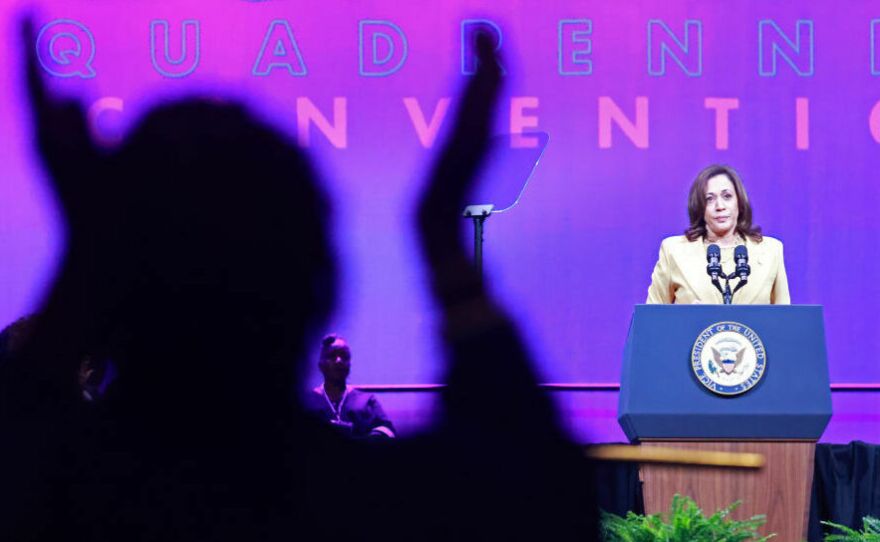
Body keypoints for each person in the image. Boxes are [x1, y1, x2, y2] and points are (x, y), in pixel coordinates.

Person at [646, 164, 790, 305]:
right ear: (699, 206)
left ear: (739, 202)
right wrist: (686, 319)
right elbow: (652, 319)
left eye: (727, 196)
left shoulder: (771, 250)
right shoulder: (673, 251)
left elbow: (785, 321)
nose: (720, 206)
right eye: (710, 199)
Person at [305, 334, 395, 439]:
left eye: (344, 356)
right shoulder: (308, 401)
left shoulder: (366, 400)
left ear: (349, 364)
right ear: (321, 364)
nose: (339, 360)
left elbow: (388, 430)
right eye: (332, 356)